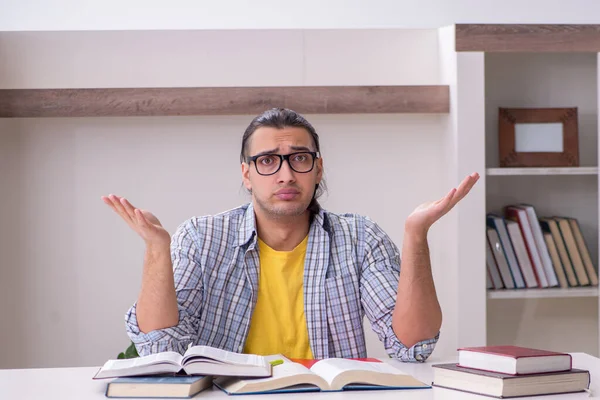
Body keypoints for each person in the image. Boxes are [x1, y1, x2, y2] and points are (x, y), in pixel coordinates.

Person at [102, 108, 479, 363]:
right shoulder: (201, 237)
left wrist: (416, 235)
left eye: (299, 158)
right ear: (246, 174)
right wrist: (157, 249)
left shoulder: (360, 238)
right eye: (267, 161)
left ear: (318, 169)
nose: (285, 175)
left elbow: (412, 347)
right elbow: (160, 348)